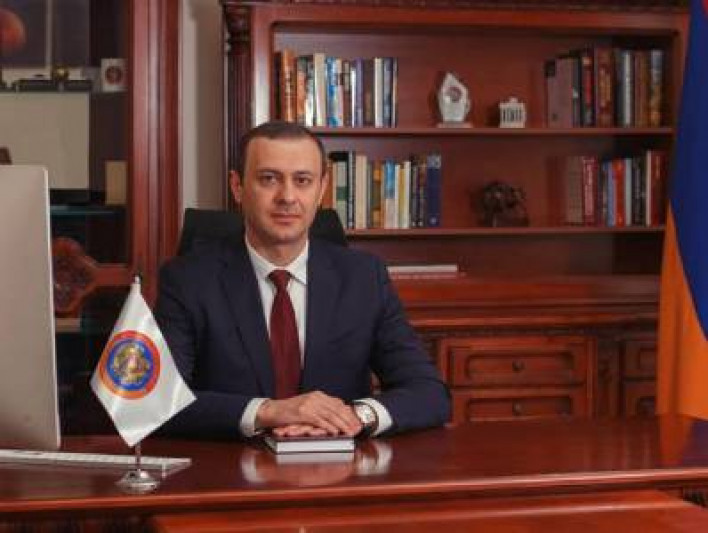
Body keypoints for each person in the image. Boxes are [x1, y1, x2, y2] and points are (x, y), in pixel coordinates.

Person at [155, 120, 450, 440]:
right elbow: (159, 402)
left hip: (339, 463)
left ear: (322, 189)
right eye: (269, 179)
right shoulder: (188, 281)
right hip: (233, 464)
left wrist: (355, 416)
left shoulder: (364, 278)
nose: (287, 196)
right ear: (237, 187)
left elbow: (429, 392)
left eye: (303, 180)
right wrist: (269, 412)